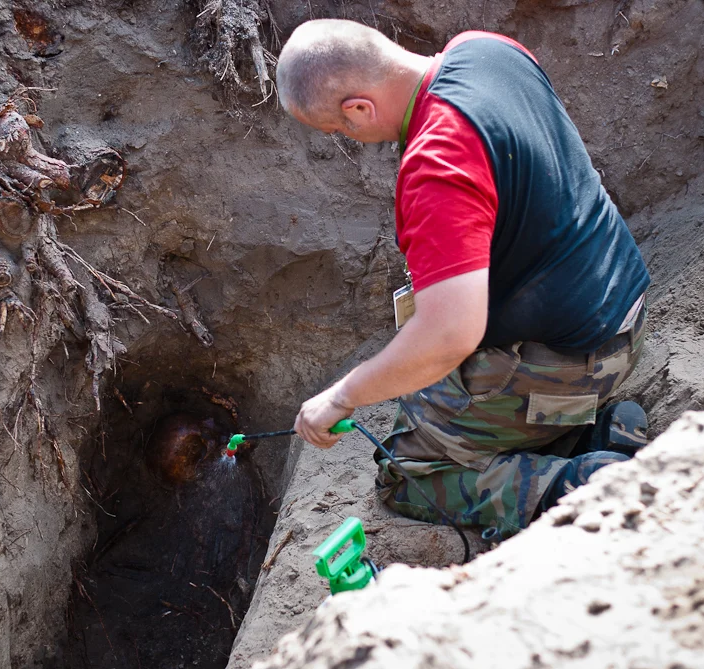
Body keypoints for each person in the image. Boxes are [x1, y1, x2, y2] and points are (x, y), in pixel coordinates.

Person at [278, 19, 651, 538]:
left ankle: (583, 478)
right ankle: (600, 428)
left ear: (358, 108)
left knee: (408, 473)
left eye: (343, 130)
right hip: (626, 312)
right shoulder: (487, 50)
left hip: (572, 362)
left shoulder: (436, 165)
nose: (352, 138)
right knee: (427, 391)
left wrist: (343, 396)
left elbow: (451, 335)